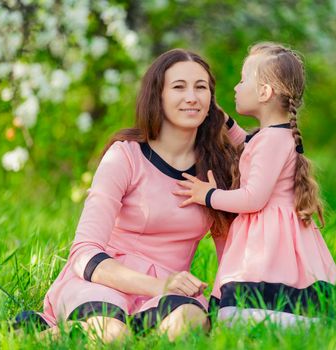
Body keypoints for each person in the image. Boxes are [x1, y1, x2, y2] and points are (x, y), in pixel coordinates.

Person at [13, 48, 240, 342]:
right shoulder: (126, 156)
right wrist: (158, 285)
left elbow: (271, 147)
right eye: (178, 87)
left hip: (169, 294)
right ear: (157, 95)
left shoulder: (218, 167)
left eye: (201, 88)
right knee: (112, 336)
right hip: (105, 282)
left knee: (190, 323)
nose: (192, 97)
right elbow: (84, 253)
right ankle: (33, 337)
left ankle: (136, 331)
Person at [174, 42, 336, 326]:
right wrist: (224, 121)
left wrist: (209, 195)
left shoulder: (273, 140)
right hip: (272, 231)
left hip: (269, 240)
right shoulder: (273, 136)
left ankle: (275, 322)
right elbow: (247, 145)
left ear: (264, 92)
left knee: (254, 312)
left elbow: (254, 198)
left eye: (243, 80)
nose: (236, 88)